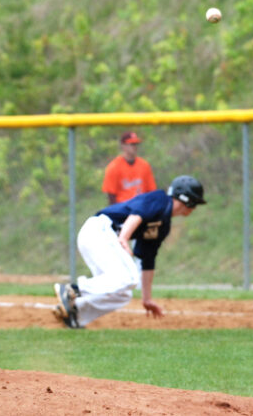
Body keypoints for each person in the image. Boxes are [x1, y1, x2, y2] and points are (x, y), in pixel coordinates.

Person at [54, 175, 205, 329]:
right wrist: (124, 238)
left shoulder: (163, 225)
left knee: (123, 294)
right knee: (129, 277)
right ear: (188, 199)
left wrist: (147, 299)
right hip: (100, 230)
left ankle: (75, 315)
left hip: (100, 237)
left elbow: (148, 260)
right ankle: (73, 289)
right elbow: (136, 215)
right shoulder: (160, 199)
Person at [102, 131, 157, 204]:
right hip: (123, 209)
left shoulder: (144, 165)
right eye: (132, 144)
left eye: (136, 144)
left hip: (142, 208)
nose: (135, 147)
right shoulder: (114, 167)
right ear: (123, 145)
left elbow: (151, 191)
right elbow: (111, 195)